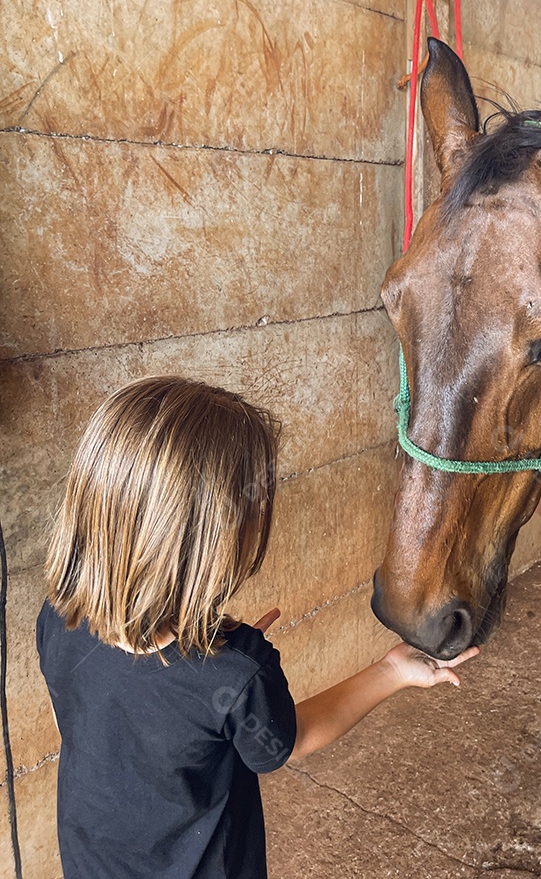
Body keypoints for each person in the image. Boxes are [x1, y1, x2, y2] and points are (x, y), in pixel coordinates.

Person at [37, 376, 478, 879]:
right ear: (218, 537)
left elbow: (79, 722)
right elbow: (291, 740)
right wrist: (392, 671)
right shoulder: (235, 673)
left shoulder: (58, 617)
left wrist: (207, 643)